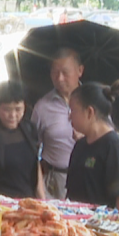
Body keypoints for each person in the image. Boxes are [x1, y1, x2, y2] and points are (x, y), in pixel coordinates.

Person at [66, 81, 119, 216]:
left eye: (72, 110)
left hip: (100, 229)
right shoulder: (80, 145)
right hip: (77, 229)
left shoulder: (114, 147)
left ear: (89, 112)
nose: (69, 116)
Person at [0, 80, 45, 199]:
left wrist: (42, 198)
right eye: (7, 110)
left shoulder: (30, 129)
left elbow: (36, 165)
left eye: (18, 109)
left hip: (28, 200)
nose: (13, 115)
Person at [32, 48, 84, 199]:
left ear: (80, 70)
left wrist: (85, 141)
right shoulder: (42, 107)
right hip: (53, 181)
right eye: (55, 73)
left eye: (65, 72)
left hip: (86, 179)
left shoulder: (94, 103)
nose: (60, 78)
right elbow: (32, 149)